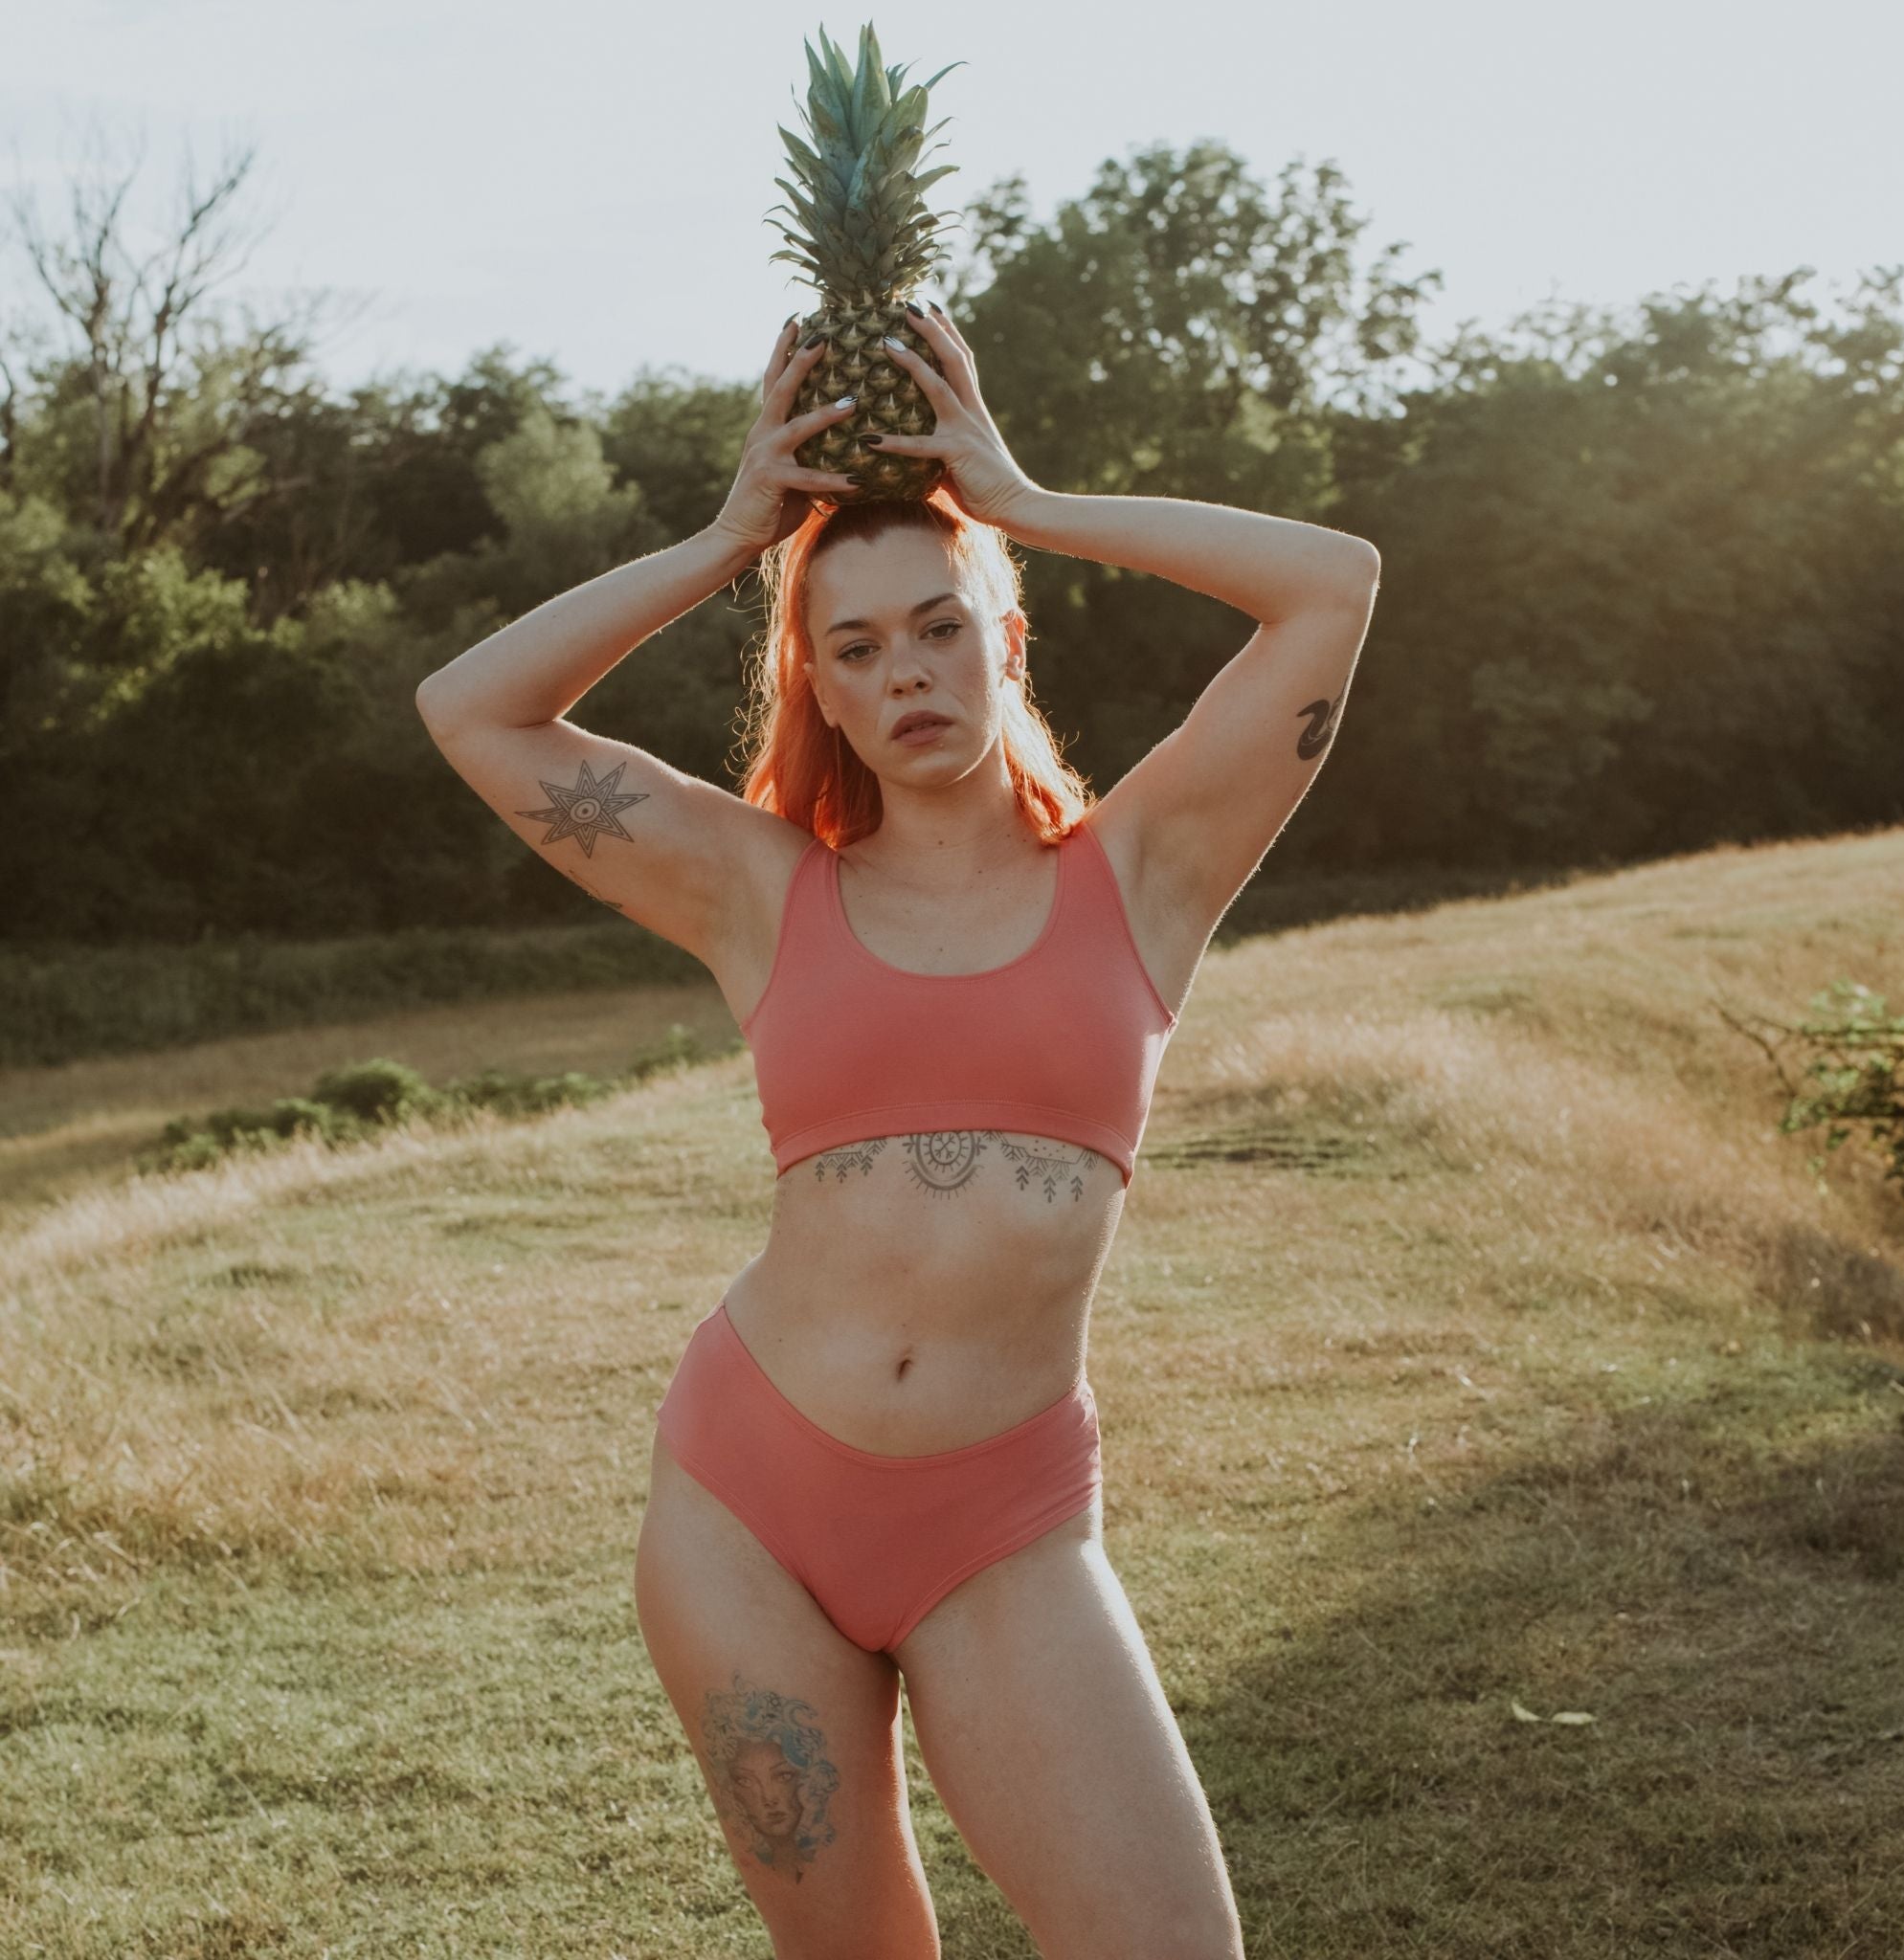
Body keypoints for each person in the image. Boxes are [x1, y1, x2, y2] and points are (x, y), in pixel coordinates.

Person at [414, 300, 1380, 1959]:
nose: (906, 671)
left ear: (1008, 640)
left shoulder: (1146, 871)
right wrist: (732, 537)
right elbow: (472, 708)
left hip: (1001, 1520)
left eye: (940, 626)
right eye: (853, 650)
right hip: (747, 1505)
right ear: (825, 694)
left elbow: (1333, 584)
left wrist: (1018, 500)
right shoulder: (756, 888)